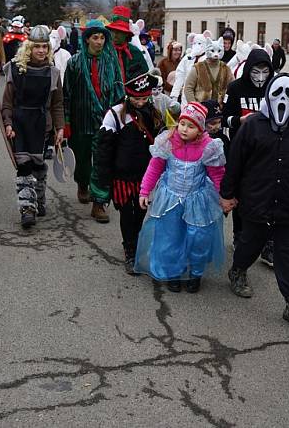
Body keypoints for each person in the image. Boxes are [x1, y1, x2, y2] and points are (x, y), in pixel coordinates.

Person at [222, 73, 289, 333]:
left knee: (287, 254)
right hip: (256, 201)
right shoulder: (252, 126)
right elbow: (235, 163)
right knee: (249, 244)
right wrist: (227, 194)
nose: (283, 100)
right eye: (278, 93)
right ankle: (237, 270)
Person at [136, 102, 226, 293]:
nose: (185, 129)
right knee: (170, 237)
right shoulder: (167, 142)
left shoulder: (209, 147)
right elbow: (154, 168)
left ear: (200, 129)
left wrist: (223, 196)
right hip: (170, 199)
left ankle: (195, 272)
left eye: (191, 126)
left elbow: (217, 174)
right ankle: (173, 272)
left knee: (198, 237)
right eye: (182, 124)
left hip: (198, 200)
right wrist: (145, 191)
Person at [95, 73, 164, 274]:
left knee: (140, 213)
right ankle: (130, 249)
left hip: (145, 175)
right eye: (136, 98)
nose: (141, 103)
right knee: (126, 212)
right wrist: (103, 179)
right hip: (122, 176)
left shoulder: (154, 113)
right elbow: (103, 149)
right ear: (128, 95)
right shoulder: (115, 114)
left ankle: (136, 240)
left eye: (144, 98)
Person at [2, 25, 65, 228]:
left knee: (38, 165)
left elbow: (57, 104)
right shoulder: (15, 69)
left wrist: (60, 128)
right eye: (36, 46)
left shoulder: (53, 73)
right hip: (20, 123)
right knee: (23, 166)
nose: (41, 50)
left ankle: (38, 198)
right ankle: (27, 208)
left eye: (44, 47)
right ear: (29, 47)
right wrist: (8, 123)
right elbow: (7, 102)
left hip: (42, 125)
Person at [63, 19, 124, 223]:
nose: (99, 41)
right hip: (81, 120)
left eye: (102, 38)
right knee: (82, 160)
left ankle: (99, 203)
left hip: (105, 120)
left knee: (103, 161)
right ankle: (82, 183)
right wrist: (67, 122)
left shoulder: (111, 62)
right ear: (87, 38)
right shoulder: (75, 63)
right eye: (95, 37)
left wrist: (119, 116)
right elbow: (67, 94)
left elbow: (118, 90)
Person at [222, 48, 274, 252]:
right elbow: (224, 117)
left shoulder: (274, 87)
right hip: (242, 149)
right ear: (247, 69)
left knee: (269, 197)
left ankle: (267, 242)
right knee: (241, 197)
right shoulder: (235, 88)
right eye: (255, 72)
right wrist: (239, 120)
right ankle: (239, 236)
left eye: (265, 72)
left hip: (268, 151)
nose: (260, 77)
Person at [183, 38, 233, 105]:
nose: (216, 54)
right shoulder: (198, 68)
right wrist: (194, 106)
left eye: (219, 51)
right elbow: (188, 88)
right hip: (201, 110)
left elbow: (232, 88)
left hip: (221, 110)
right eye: (212, 50)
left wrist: (227, 104)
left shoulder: (226, 69)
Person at [105, 6, 148, 83]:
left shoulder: (135, 52)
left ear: (126, 34)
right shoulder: (104, 51)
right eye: (113, 31)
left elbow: (143, 78)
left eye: (119, 31)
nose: (115, 35)